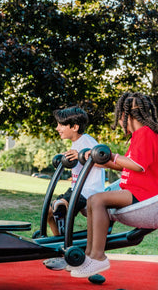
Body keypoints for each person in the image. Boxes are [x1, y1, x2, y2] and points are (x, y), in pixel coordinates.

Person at [69, 92, 158, 278]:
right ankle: (90, 255)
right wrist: (95, 160)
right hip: (134, 190)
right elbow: (123, 164)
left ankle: (98, 256)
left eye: (119, 118)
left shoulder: (145, 134)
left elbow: (138, 166)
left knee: (98, 200)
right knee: (94, 200)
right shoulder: (138, 136)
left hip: (145, 194)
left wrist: (112, 156)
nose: (118, 123)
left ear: (127, 116)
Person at [44, 106, 105, 271]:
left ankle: (66, 250)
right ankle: (59, 245)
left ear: (74, 127)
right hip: (75, 189)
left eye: (61, 125)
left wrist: (81, 155)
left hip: (88, 191)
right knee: (48, 213)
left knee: (61, 206)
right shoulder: (76, 143)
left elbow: (102, 159)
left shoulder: (87, 141)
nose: (57, 128)